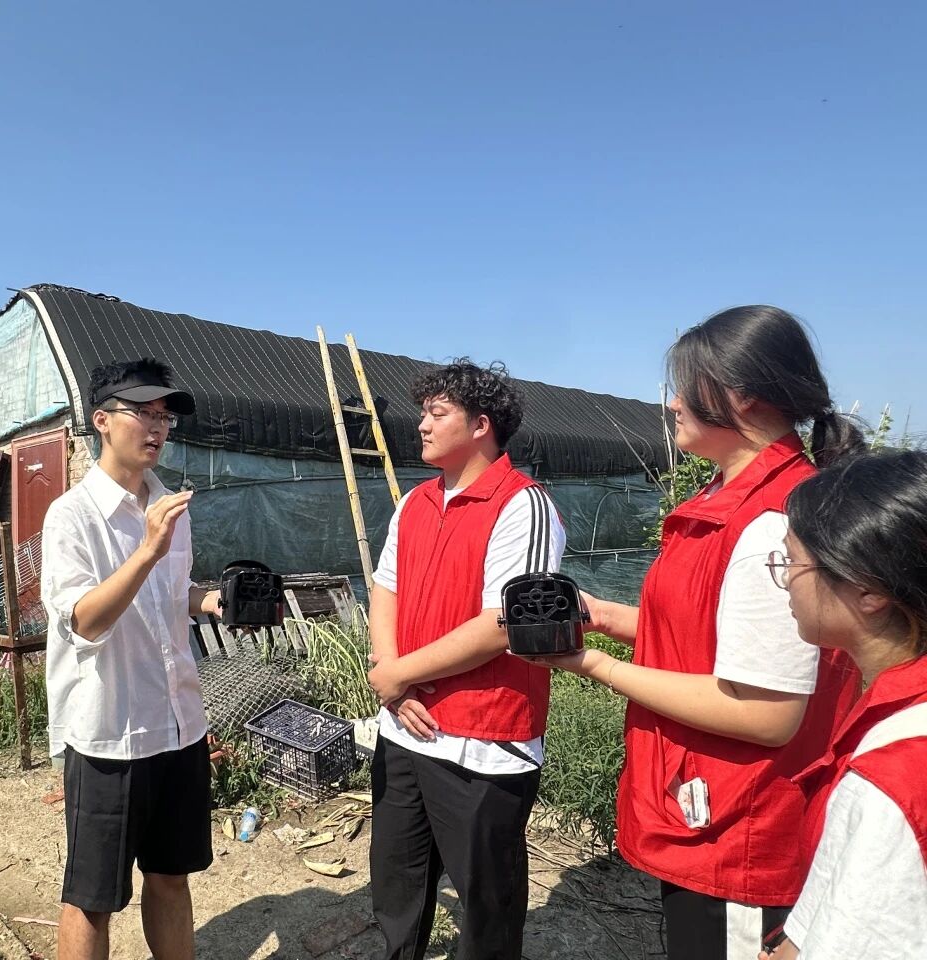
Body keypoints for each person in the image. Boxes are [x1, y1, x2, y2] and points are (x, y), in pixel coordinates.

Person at [520, 306, 866, 960]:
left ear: (744, 395)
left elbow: (765, 711)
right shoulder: (724, 501)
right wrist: (599, 614)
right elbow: (699, 634)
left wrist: (593, 664)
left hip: (743, 826)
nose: (673, 403)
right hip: (707, 805)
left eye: (686, 387)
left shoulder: (772, 524)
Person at [364, 359, 566, 960]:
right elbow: (385, 588)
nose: (422, 425)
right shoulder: (416, 502)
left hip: (483, 742)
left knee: (485, 905)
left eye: (437, 413)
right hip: (405, 726)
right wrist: (391, 679)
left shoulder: (523, 506)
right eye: (423, 413)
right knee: (397, 887)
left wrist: (398, 674)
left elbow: (504, 623)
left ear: (481, 425)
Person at [41, 357, 221, 960]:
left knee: (171, 877)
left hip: (178, 725)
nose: (157, 427)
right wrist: (147, 550)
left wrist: (211, 600)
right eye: (143, 413)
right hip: (109, 734)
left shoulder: (168, 505)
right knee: (92, 897)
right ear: (101, 420)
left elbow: (174, 592)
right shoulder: (72, 515)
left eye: (165, 416)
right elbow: (83, 621)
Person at [756, 450, 927, 959]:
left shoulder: (891, 780)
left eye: (793, 561)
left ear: (868, 590)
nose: (785, 578)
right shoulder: (894, 711)